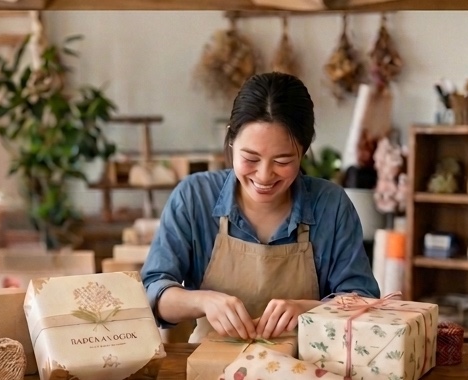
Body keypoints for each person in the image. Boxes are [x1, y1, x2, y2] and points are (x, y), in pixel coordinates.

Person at [141, 72, 380, 343]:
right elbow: (152, 293)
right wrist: (203, 301)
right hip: (213, 364)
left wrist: (308, 309)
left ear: (303, 150)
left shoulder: (331, 205)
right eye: (250, 158)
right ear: (231, 141)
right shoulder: (195, 197)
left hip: (306, 364)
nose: (265, 176)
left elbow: (364, 302)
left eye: (282, 160)